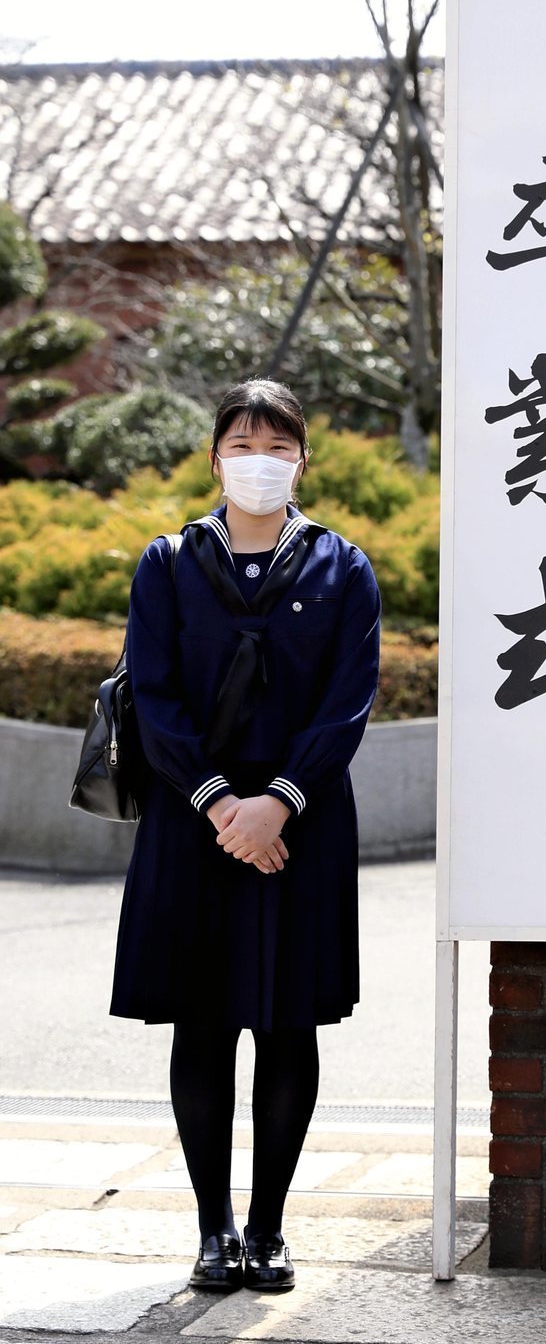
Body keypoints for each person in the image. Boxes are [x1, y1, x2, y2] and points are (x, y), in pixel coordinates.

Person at [109, 379, 381, 1293]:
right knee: (203, 1023)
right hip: (197, 826)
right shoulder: (168, 563)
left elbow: (348, 703)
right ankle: (213, 1229)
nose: (257, 458)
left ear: (303, 458)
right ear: (214, 455)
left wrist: (279, 803)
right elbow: (155, 695)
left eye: (276, 444)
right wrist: (226, 805)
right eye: (241, 442)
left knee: (289, 1024)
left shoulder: (343, 568)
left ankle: (268, 1229)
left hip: (300, 827)